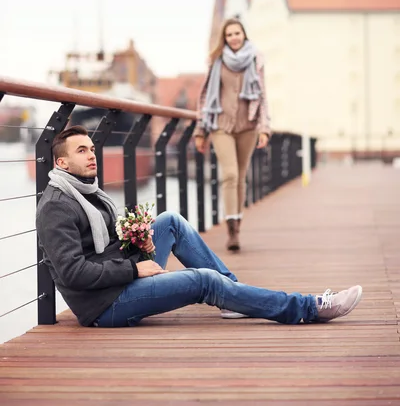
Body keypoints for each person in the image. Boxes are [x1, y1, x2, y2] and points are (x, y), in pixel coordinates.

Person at [36, 125, 362, 328]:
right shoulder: (56, 207)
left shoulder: (86, 191)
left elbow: (103, 250)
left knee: (170, 222)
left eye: (92, 148)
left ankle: (234, 297)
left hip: (117, 278)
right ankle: (307, 308)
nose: (93, 155)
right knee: (204, 281)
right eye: (82, 151)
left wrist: (135, 244)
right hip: (104, 305)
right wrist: (135, 270)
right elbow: (73, 273)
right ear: (61, 163)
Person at [194, 18, 271, 251]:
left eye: (237, 33)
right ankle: (231, 232)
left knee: (240, 175)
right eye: (229, 35)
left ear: (244, 35)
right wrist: (200, 130)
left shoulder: (256, 60)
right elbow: (205, 96)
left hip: (248, 126)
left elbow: (262, 95)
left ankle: (238, 223)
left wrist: (264, 128)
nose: (234, 38)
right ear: (224, 38)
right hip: (221, 125)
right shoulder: (216, 60)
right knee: (229, 174)